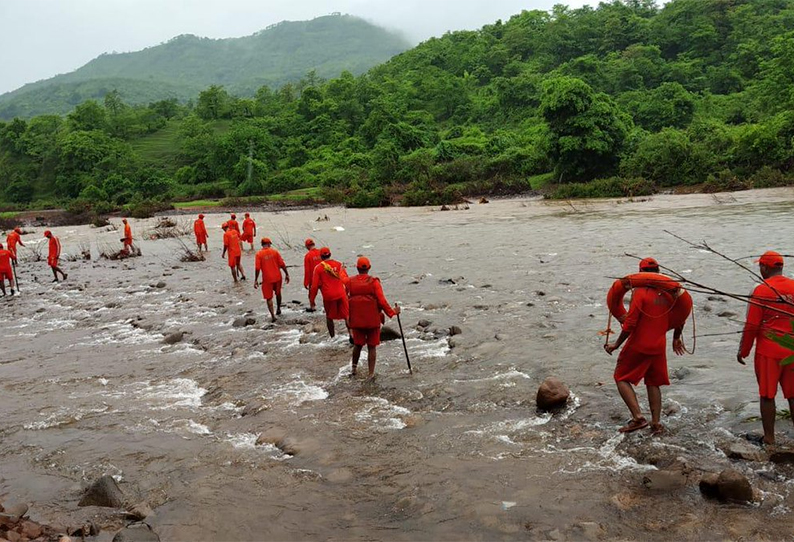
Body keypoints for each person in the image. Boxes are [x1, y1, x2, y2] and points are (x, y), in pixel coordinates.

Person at [604, 257, 685, 435]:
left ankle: (638, 417)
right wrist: (676, 338)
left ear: (640, 273)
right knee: (653, 382)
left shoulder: (639, 292)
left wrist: (616, 345)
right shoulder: (669, 293)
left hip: (639, 343)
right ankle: (656, 423)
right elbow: (680, 316)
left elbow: (631, 323)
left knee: (621, 377)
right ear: (658, 272)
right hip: (658, 345)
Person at [737, 251, 794, 446]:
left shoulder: (760, 290)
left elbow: (751, 325)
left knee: (767, 395)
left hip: (768, 352)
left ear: (765, 268)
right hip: (792, 350)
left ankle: (770, 438)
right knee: (793, 394)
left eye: (760, 267)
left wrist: (743, 351)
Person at [345, 256, 400, 378]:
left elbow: (344, 299)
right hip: (372, 320)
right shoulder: (374, 282)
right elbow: (382, 301)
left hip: (357, 320)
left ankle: (354, 368)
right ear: (369, 268)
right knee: (371, 347)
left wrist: (347, 317)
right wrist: (392, 312)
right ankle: (370, 374)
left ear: (357, 268)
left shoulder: (349, 282)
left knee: (357, 345)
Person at [309, 247, 350, 340]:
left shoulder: (318, 268)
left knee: (329, 317)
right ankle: (352, 335)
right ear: (330, 254)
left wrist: (312, 300)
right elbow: (346, 279)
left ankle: (333, 338)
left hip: (328, 295)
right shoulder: (339, 265)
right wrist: (347, 292)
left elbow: (314, 286)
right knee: (347, 315)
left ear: (320, 256)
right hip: (341, 293)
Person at [254, 237, 290, 322]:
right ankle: (278, 309)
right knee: (278, 293)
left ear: (262, 245)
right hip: (277, 277)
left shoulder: (259, 254)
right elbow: (282, 264)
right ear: (269, 244)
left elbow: (257, 268)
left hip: (267, 279)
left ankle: (273, 316)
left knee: (269, 298)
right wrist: (287, 274)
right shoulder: (275, 252)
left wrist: (255, 279)